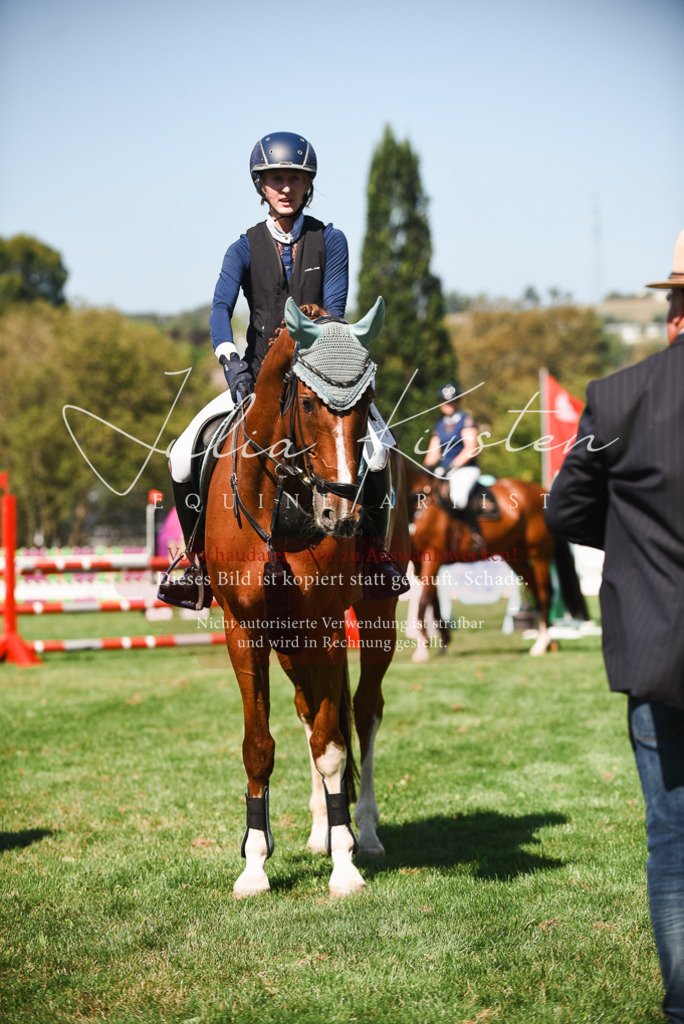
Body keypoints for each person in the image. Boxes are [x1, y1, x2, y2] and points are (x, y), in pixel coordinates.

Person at [159, 131, 407, 609]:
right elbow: (219, 310)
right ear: (262, 185)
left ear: (307, 184)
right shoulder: (243, 247)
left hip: (320, 378)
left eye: (294, 178)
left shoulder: (330, 240)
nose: (285, 187)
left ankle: (375, 556)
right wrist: (231, 363)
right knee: (182, 452)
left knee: (376, 454)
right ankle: (197, 563)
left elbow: (332, 311)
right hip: (254, 379)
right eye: (276, 179)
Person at [544, 229, 684, 1024]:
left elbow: (565, 508)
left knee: (672, 845)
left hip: (659, 645)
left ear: (674, 311)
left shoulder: (620, 396)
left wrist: (633, 540)